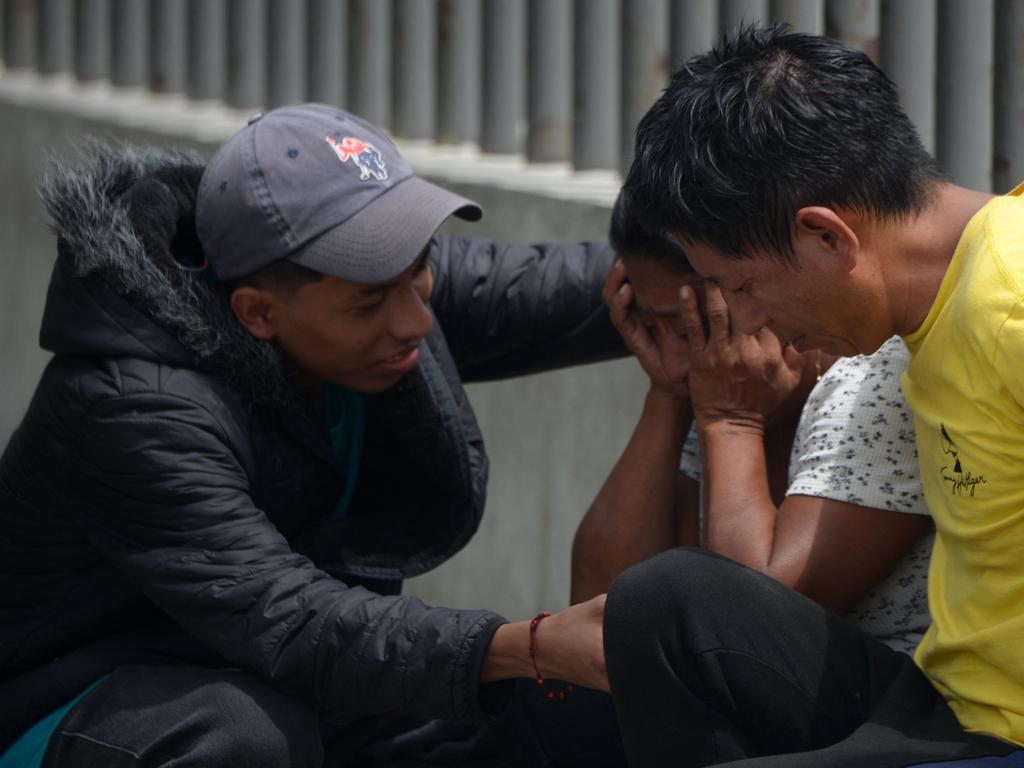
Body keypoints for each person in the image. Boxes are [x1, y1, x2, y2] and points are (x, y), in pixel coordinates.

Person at [0, 104, 622, 768]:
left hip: (280, 679)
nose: (416, 318)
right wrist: (526, 643)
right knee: (242, 740)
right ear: (258, 312)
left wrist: (709, 269)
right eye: (372, 301)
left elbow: (594, 286)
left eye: (421, 270)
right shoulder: (131, 404)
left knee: (557, 707)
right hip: (75, 706)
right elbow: (289, 618)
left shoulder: (378, 289)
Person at [602, 23, 1024, 767]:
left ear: (827, 238)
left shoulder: (1010, 302)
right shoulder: (932, 313)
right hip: (942, 704)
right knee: (665, 603)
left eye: (742, 287)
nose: (750, 323)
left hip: (1000, 735)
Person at [573, 195, 934, 658]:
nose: (680, 363)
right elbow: (596, 613)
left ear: (754, 292)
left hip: (908, 713)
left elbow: (750, 632)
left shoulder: (876, 379)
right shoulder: (716, 380)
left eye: (693, 328)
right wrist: (666, 397)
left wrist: (731, 421)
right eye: (652, 325)